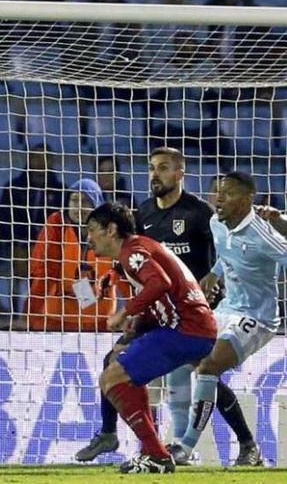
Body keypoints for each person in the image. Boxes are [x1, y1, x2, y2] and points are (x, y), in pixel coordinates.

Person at [77, 148, 258, 466]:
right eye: (150, 168)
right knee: (116, 363)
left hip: (189, 312)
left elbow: (220, 252)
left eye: (162, 168)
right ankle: (116, 435)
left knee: (204, 374)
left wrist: (127, 310)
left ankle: (237, 445)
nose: (154, 175)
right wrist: (115, 286)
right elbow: (136, 266)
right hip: (160, 313)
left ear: (179, 174)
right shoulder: (143, 214)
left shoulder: (200, 213)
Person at [86, 202, 217, 474]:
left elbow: (160, 283)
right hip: (187, 327)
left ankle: (155, 453)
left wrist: (125, 313)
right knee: (118, 368)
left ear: (111, 230)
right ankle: (149, 451)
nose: (89, 237)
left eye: (92, 230)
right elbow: (165, 294)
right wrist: (140, 319)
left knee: (112, 378)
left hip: (185, 329)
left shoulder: (133, 251)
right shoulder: (140, 248)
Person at [170, 171, 285, 466]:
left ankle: (184, 447)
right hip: (227, 309)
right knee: (192, 361)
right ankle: (249, 447)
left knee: (208, 367)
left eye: (229, 193)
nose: (219, 199)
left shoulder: (263, 236)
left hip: (258, 318)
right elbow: (227, 253)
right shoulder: (215, 223)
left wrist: (283, 225)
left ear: (248, 199)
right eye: (218, 192)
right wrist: (213, 274)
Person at [25, 178, 114, 331]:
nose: (79, 207)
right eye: (74, 200)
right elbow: (43, 272)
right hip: (56, 320)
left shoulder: (112, 230)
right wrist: (30, 314)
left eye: (86, 201)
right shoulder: (57, 225)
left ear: (97, 204)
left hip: (99, 322)